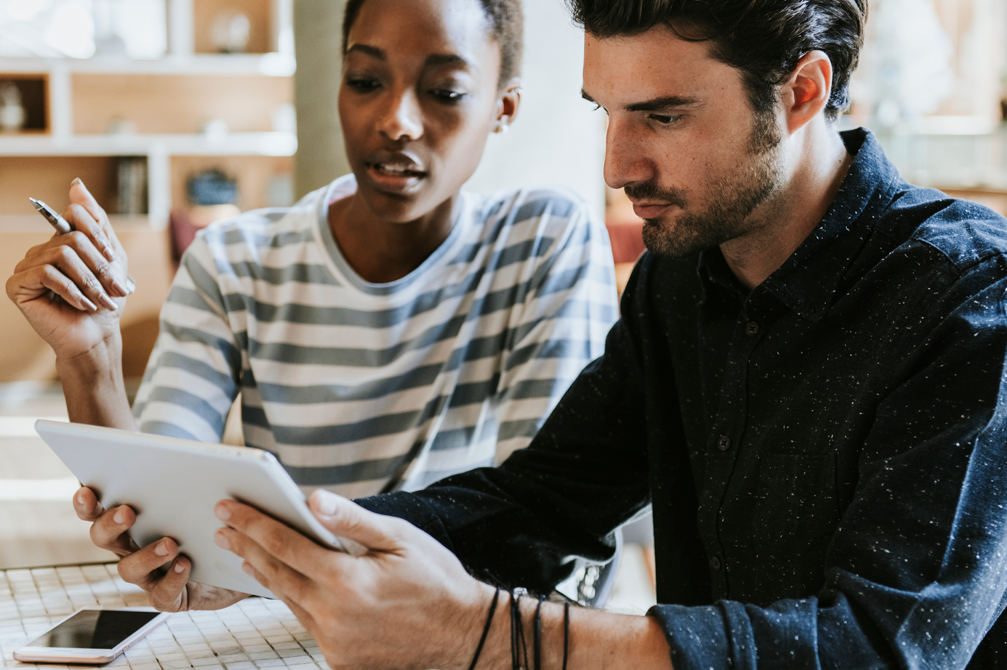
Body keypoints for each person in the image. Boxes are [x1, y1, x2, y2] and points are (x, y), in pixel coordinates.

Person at [46, 0, 1007, 667]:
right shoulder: (684, 277)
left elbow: (882, 648)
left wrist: (478, 631)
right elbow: (546, 500)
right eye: (605, 113)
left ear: (799, 92)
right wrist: (278, 543)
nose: (617, 162)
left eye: (661, 116)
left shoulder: (986, 304)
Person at [6, 0, 619, 499]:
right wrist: (91, 359)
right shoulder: (233, 261)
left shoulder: (544, 240)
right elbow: (164, 508)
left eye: (446, 92)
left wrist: (288, 551)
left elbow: (543, 514)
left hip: (458, 621)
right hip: (289, 621)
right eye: (365, 81)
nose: (396, 121)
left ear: (502, 109)